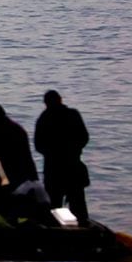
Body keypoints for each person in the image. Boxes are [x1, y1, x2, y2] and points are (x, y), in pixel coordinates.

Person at [34, 90, 90, 224]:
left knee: (54, 205)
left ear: (46, 103)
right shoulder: (73, 115)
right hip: (73, 166)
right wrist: (74, 151)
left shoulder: (44, 118)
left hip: (53, 169)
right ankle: (83, 229)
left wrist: (52, 154)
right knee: (78, 205)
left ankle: (56, 231)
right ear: (60, 99)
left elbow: (38, 145)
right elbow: (84, 137)